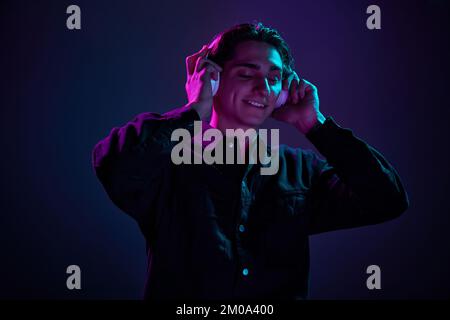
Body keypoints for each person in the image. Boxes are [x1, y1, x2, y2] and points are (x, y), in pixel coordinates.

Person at [91, 22, 409, 300]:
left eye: (275, 77)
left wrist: (315, 125)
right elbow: (115, 165)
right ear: (212, 76)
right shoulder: (170, 161)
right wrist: (194, 109)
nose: (264, 87)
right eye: (247, 73)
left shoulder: (300, 170)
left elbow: (387, 199)